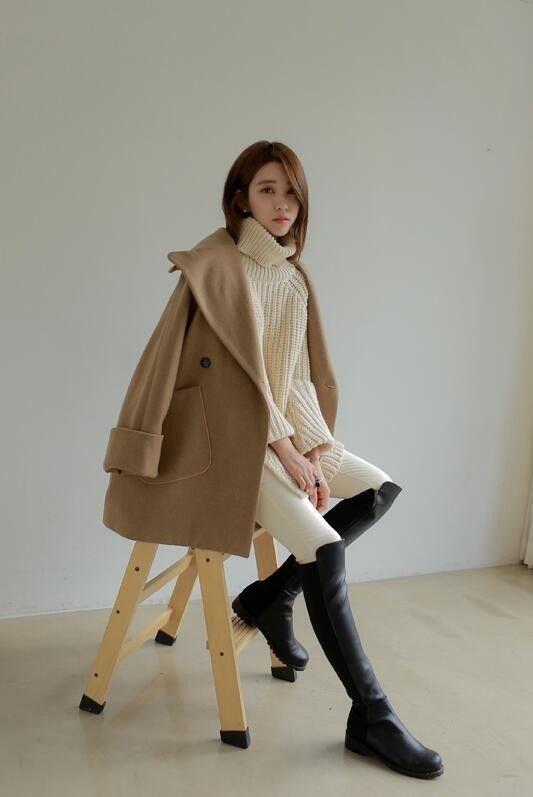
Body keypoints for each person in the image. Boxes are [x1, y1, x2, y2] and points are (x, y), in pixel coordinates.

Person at [224, 141, 444, 779]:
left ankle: (270, 595)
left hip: (287, 437)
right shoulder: (227, 272)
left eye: (291, 193)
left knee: (380, 489)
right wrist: (288, 452)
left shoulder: (291, 275)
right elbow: (237, 387)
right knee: (325, 550)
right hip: (240, 449)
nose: (282, 205)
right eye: (267, 190)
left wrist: (315, 448)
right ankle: (371, 717)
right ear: (242, 198)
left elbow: (293, 378)